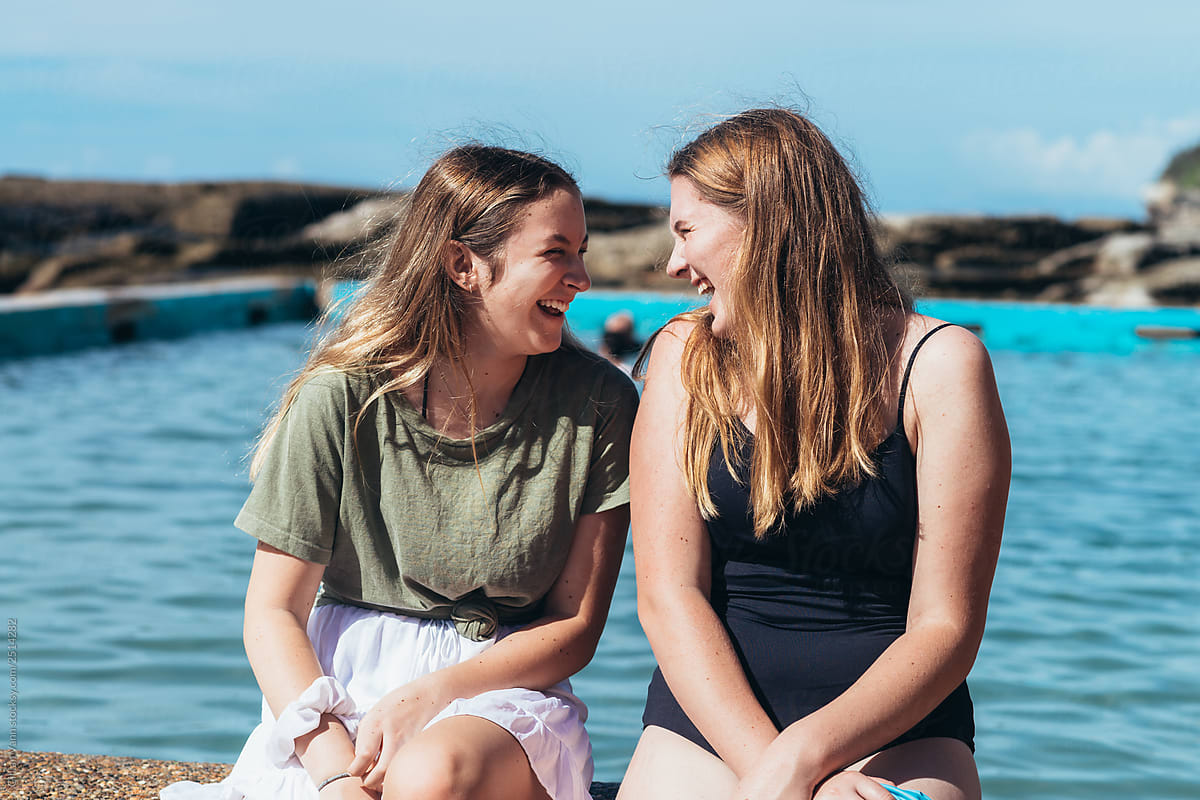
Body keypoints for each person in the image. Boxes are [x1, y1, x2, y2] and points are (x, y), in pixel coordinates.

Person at [161, 145, 638, 800]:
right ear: (463, 264)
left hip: (500, 699)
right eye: (558, 252)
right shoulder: (343, 396)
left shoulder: (600, 405)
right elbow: (273, 611)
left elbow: (575, 627)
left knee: (429, 776)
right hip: (334, 693)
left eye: (581, 251)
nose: (581, 275)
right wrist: (333, 772)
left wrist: (432, 695)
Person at [617, 109, 1010, 800]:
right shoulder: (685, 356)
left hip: (898, 727)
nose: (675, 263)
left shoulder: (941, 364)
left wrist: (804, 760)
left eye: (687, 231)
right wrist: (771, 768)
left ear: (766, 225)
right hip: (710, 716)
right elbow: (667, 596)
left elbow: (947, 625)